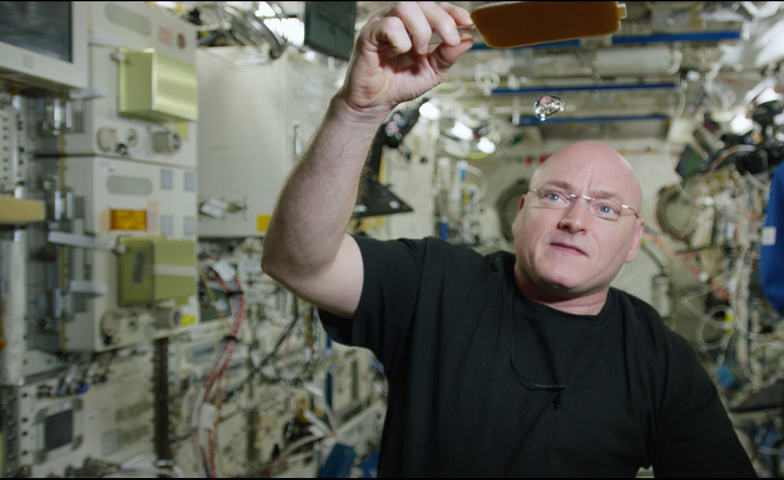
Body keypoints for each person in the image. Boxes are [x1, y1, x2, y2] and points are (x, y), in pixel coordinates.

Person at [261, 2, 756, 477]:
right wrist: (358, 110)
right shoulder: (436, 284)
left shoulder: (658, 360)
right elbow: (299, 263)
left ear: (634, 242)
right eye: (557, 196)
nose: (576, 220)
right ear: (519, 216)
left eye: (606, 208)